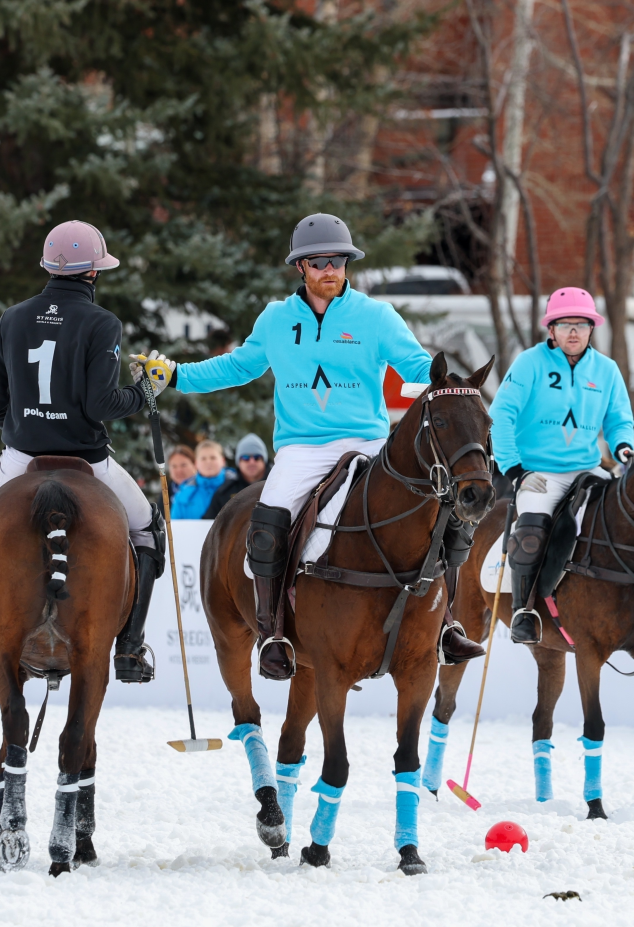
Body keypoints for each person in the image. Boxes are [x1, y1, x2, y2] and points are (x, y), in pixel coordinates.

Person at [131, 213, 484, 678]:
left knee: (443, 514)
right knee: (267, 520)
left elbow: (418, 365)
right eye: (319, 262)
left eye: (338, 261)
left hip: (367, 444)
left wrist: (453, 387)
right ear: (300, 267)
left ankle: (446, 624)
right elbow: (237, 367)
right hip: (302, 447)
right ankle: (275, 631)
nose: (330, 270)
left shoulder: (376, 317)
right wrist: (175, 375)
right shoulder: (277, 319)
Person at [0, 219, 166, 683]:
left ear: (47, 267)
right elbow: (101, 403)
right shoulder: (103, 322)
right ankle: (130, 650)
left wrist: (25, 428)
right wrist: (146, 392)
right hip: (90, 463)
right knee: (148, 532)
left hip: (20, 459)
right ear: (94, 273)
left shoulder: (12, 317)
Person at [490, 287, 634, 644]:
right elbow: (501, 415)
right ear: (550, 330)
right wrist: (514, 469)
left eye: (581, 324)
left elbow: (619, 419)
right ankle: (524, 609)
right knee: (533, 528)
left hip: (588, 470)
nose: (574, 331)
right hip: (539, 472)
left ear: (591, 329)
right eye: (565, 323)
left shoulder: (606, 370)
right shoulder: (529, 362)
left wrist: (624, 447)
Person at [203, 433, 271, 519]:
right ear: (238, 461)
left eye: (257, 457)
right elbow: (208, 524)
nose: (251, 462)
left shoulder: (277, 486)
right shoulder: (224, 492)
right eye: (246, 457)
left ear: (264, 460)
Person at [171, 440, 237, 519]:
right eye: (203, 458)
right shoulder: (183, 495)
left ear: (222, 461)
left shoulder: (237, 487)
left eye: (213, 458)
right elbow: (175, 528)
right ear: (196, 463)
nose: (208, 462)